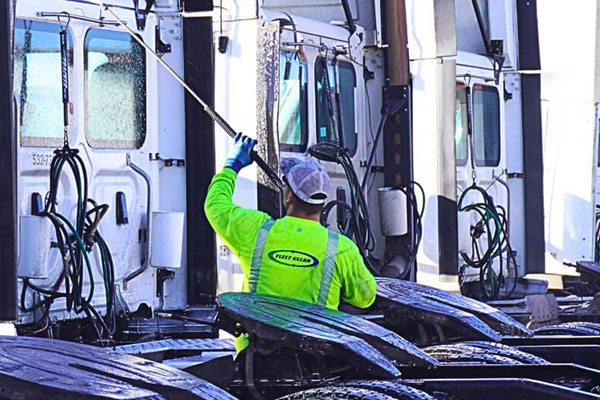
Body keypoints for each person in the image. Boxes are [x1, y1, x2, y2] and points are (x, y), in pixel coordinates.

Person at [204, 134, 377, 350]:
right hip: (317, 362)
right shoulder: (342, 249)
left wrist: (232, 165)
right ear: (322, 201)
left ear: (290, 197)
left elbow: (215, 205)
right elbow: (365, 298)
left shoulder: (257, 231)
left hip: (254, 360)